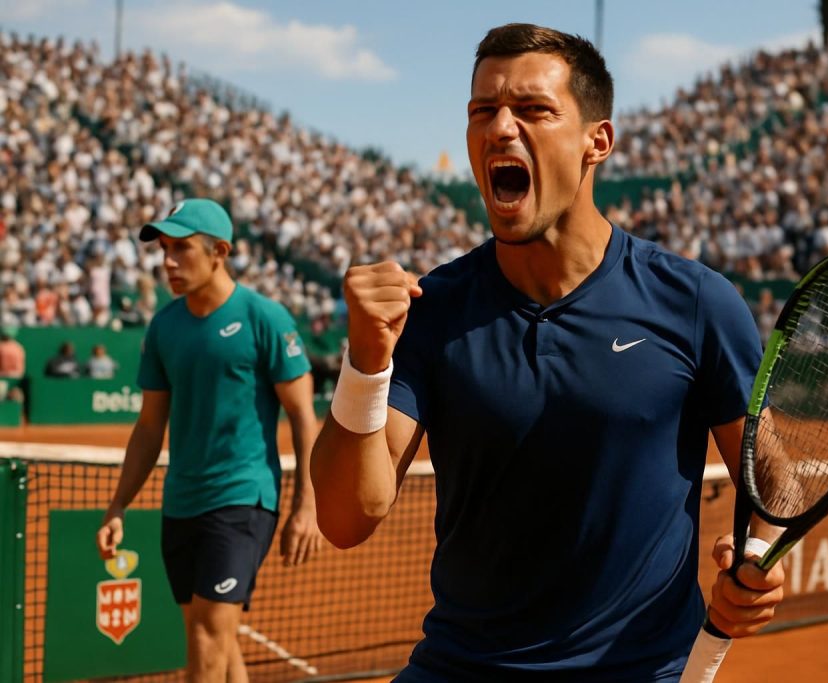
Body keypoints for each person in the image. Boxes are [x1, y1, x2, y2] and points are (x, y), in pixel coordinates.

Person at [311, 24, 784, 682]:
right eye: (483, 111)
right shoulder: (433, 309)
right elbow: (344, 517)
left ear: (598, 142)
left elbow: (771, 473)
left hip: (639, 668)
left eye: (533, 109)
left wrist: (759, 550)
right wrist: (364, 363)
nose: (501, 128)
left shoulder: (697, 301)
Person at [95, 198, 321, 681]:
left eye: (182, 249)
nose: (168, 263)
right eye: (163, 250)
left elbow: (304, 416)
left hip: (242, 498)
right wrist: (118, 506)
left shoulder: (266, 318)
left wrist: (308, 505)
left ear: (220, 251)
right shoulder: (163, 327)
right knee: (211, 633)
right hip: (180, 503)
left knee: (206, 637)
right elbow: (149, 426)